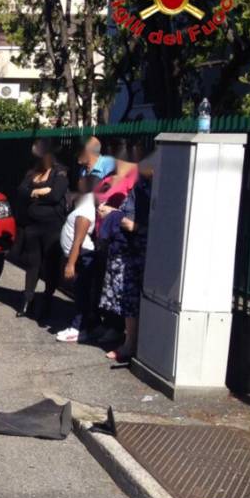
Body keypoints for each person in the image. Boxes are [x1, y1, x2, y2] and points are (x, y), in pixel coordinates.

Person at [97, 147, 153, 363]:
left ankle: (130, 345)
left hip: (135, 253)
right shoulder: (139, 185)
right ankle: (129, 342)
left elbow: (133, 224)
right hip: (127, 251)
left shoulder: (145, 189)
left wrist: (112, 214)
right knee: (126, 300)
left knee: (130, 300)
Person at [15, 139, 68, 319]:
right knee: (32, 263)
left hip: (52, 226)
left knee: (50, 264)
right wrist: (37, 192)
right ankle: (27, 299)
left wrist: (36, 193)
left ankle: (47, 299)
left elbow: (55, 195)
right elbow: (21, 191)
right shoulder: (33, 172)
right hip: (33, 226)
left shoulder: (60, 172)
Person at [56, 175, 98, 343]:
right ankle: (87, 326)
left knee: (81, 295)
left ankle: (78, 329)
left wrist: (70, 264)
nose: (78, 182)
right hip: (81, 256)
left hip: (82, 257)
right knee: (82, 293)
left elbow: (77, 241)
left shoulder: (85, 211)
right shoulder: (83, 205)